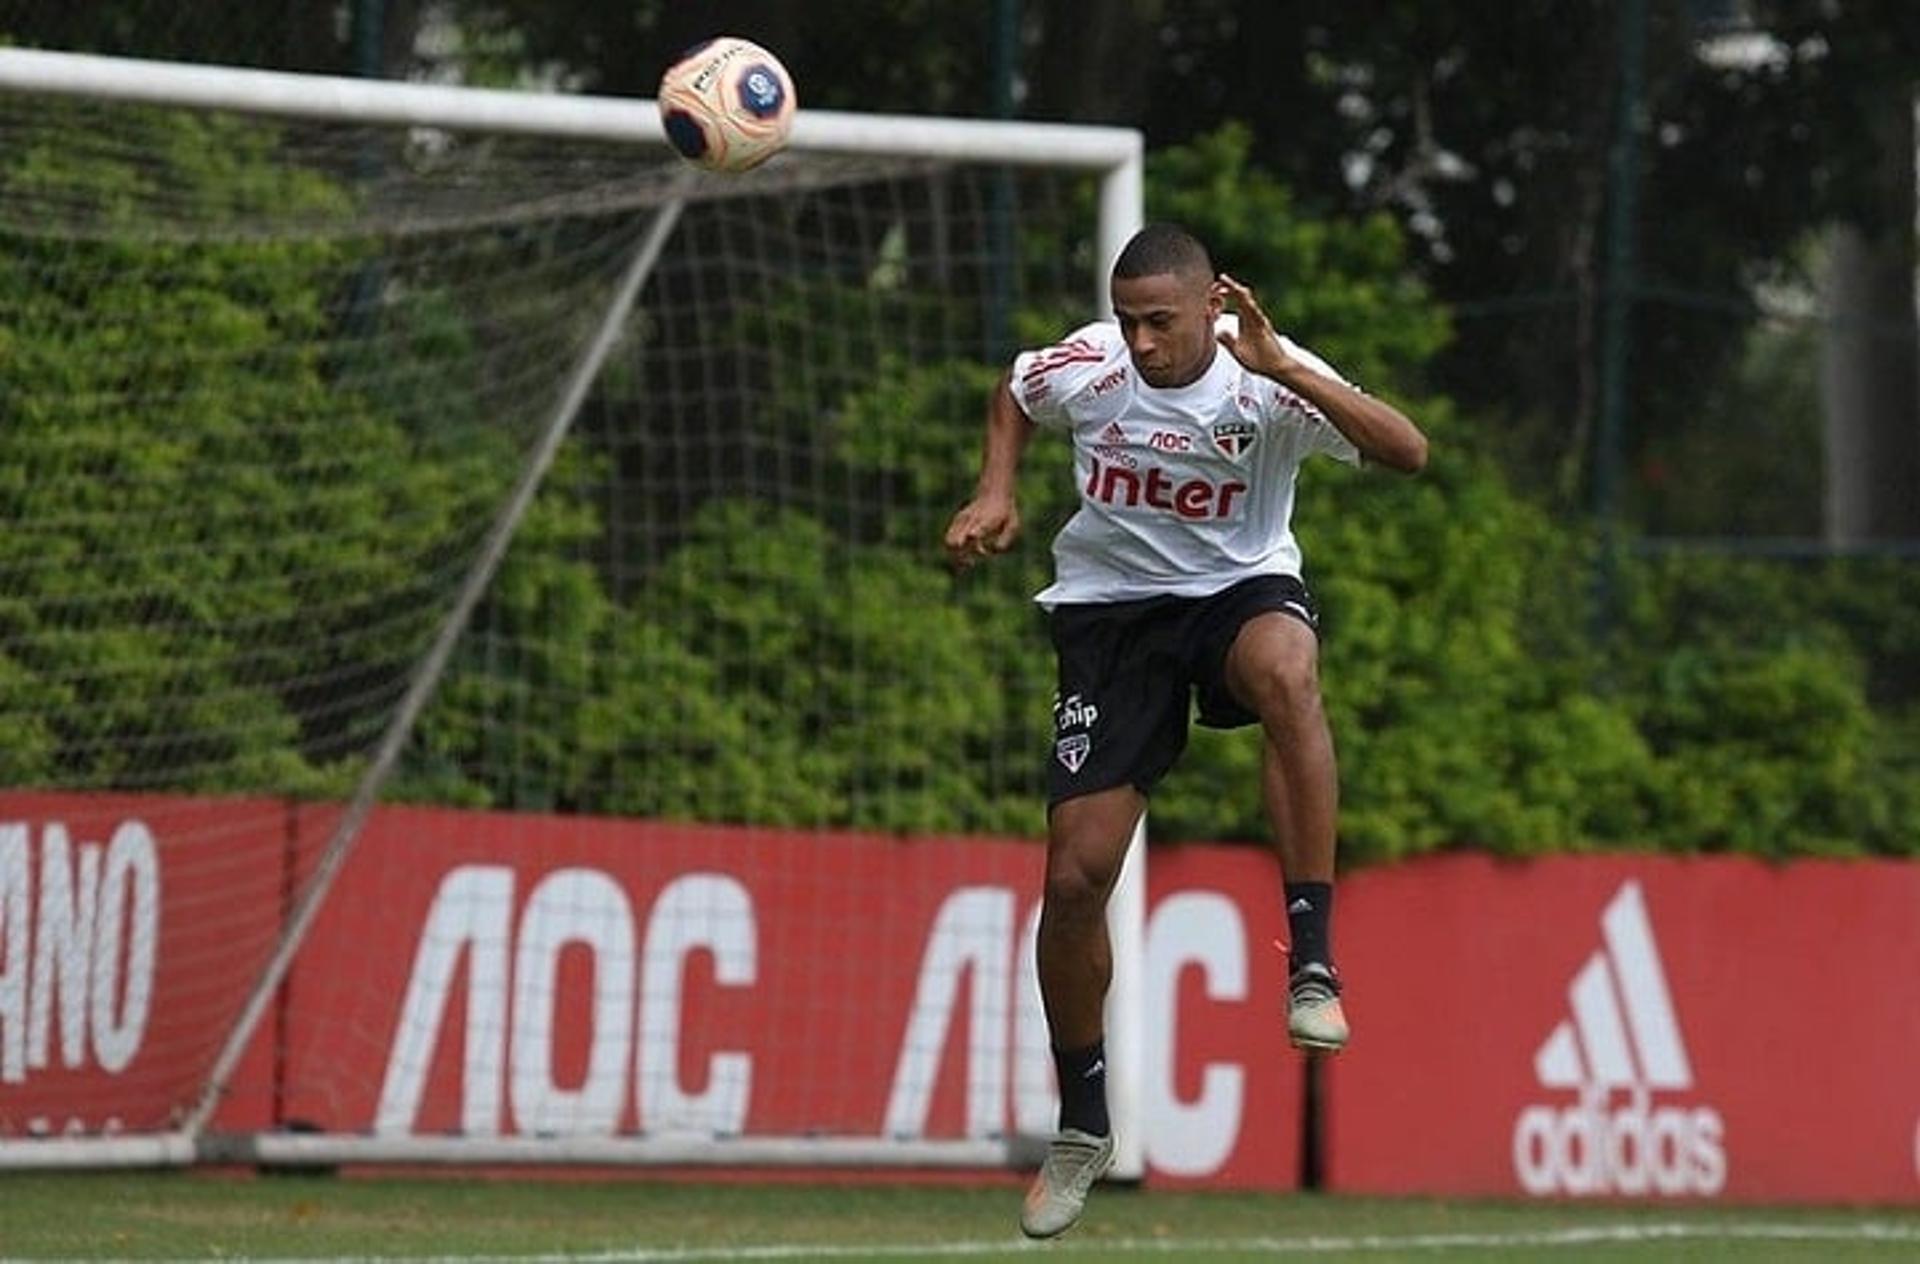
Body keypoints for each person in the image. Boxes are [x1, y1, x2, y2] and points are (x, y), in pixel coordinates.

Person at [943, 222, 1428, 1238]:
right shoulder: (1091, 367)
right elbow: (1015, 391)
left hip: (1236, 590)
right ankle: (1083, 1123)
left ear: (1213, 305)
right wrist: (996, 486)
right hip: (1112, 617)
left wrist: (1286, 364)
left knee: (1286, 670)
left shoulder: (1266, 376)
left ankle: (1311, 961)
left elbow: (1407, 451)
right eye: (1129, 322)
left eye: (1160, 321)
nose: (1142, 342)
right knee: (1074, 878)